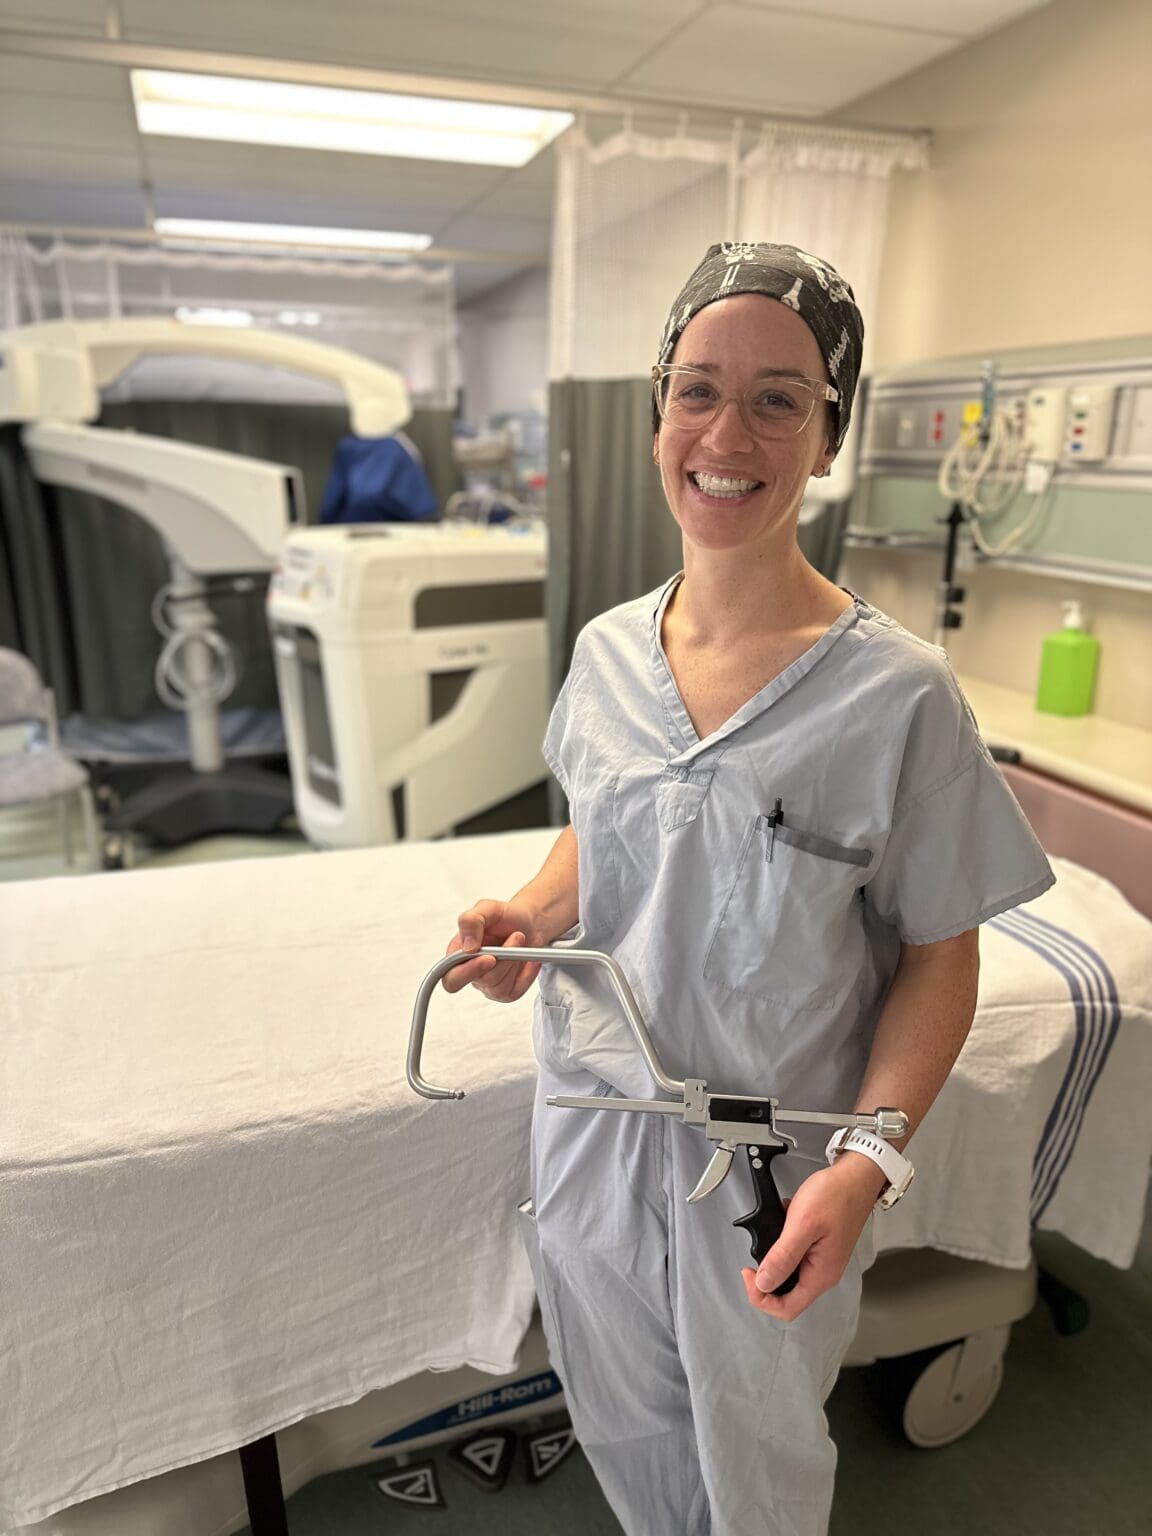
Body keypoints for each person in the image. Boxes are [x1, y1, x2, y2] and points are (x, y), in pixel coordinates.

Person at [442, 241, 1054, 1536]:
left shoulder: (899, 697)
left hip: (774, 1173)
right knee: (622, 1422)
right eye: (698, 390)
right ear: (657, 411)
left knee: (757, 1455)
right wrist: (526, 921)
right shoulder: (608, 651)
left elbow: (940, 956)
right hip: (594, 1125)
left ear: (830, 436)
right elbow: (602, 833)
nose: (728, 435)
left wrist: (869, 1163)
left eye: (780, 398)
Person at [318, 430, 438, 523]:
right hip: (401, 530)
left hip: (349, 529)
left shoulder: (348, 448)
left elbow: (330, 508)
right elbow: (423, 510)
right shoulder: (399, 448)